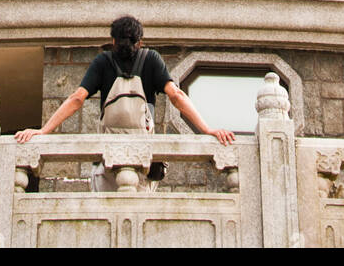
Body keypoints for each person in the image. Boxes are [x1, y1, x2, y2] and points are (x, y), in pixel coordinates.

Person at [14, 15, 235, 193]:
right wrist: (207, 130)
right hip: (142, 160)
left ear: (112, 41)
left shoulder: (103, 61)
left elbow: (77, 99)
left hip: (108, 160)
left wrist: (43, 131)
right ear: (140, 42)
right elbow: (176, 96)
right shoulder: (151, 59)